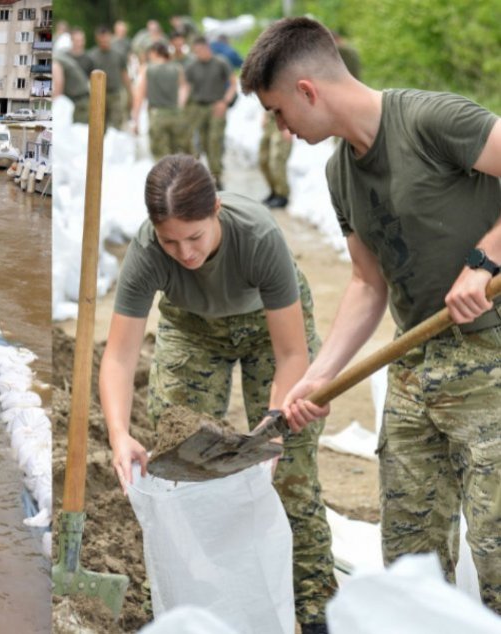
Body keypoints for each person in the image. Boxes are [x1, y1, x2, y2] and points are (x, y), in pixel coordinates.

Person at [241, 17, 501, 616]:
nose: (281, 130)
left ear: (308, 91)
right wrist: (319, 377)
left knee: (496, 550)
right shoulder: (339, 174)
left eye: (280, 113)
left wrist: (485, 261)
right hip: (415, 365)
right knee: (410, 562)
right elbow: (366, 282)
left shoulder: (433, 121)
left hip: (491, 360)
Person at [101, 155, 337, 632]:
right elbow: (120, 357)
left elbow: (291, 354)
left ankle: (315, 615)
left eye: (195, 237)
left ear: (216, 210)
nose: (185, 253)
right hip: (193, 329)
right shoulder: (148, 252)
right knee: (176, 469)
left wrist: (273, 423)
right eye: (171, 241)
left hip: (266, 326)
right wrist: (119, 434)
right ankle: (178, 610)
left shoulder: (257, 235)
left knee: (291, 471)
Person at [182, 36, 237, 190]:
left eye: (200, 50)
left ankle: (216, 176)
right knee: (202, 143)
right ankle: (204, 175)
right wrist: (182, 105)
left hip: (216, 106)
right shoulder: (192, 66)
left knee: (214, 140)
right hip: (199, 107)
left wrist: (225, 102)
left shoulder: (220, 62)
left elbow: (233, 83)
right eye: (196, 51)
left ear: (207, 48)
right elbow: (186, 86)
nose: (199, 54)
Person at [131, 43, 187, 160]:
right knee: (177, 154)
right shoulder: (177, 68)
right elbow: (184, 88)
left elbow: (139, 95)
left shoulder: (146, 69)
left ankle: (165, 179)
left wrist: (135, 120)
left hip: (157, 115)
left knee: (161, 157)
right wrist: (180, 106)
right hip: (176, 114)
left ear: (154, 53)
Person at [88, 25, 132, 131]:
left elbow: (124, 74)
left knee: (116, 126)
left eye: (106, 39)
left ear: (110, 37)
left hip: (115, 94)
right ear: (97, 39)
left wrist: (130, 93)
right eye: (101, 39)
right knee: (99, 126)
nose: (104, 42)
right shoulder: (91, 56)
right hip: (98, 95)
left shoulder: (118, 54)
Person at [259, 110, 293, 208]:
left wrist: (288, 126)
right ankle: (274, 191)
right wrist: (265, 115)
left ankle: (282, 195)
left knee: (276, 161)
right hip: (271, 121)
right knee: (263, 160)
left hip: (283, 122)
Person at [52, 45, 90, 124]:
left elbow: (58, 84)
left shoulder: (55, 61)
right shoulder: (61, 58)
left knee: (79, 128)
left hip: (79, 101)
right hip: (81, 98)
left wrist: (53, 101)